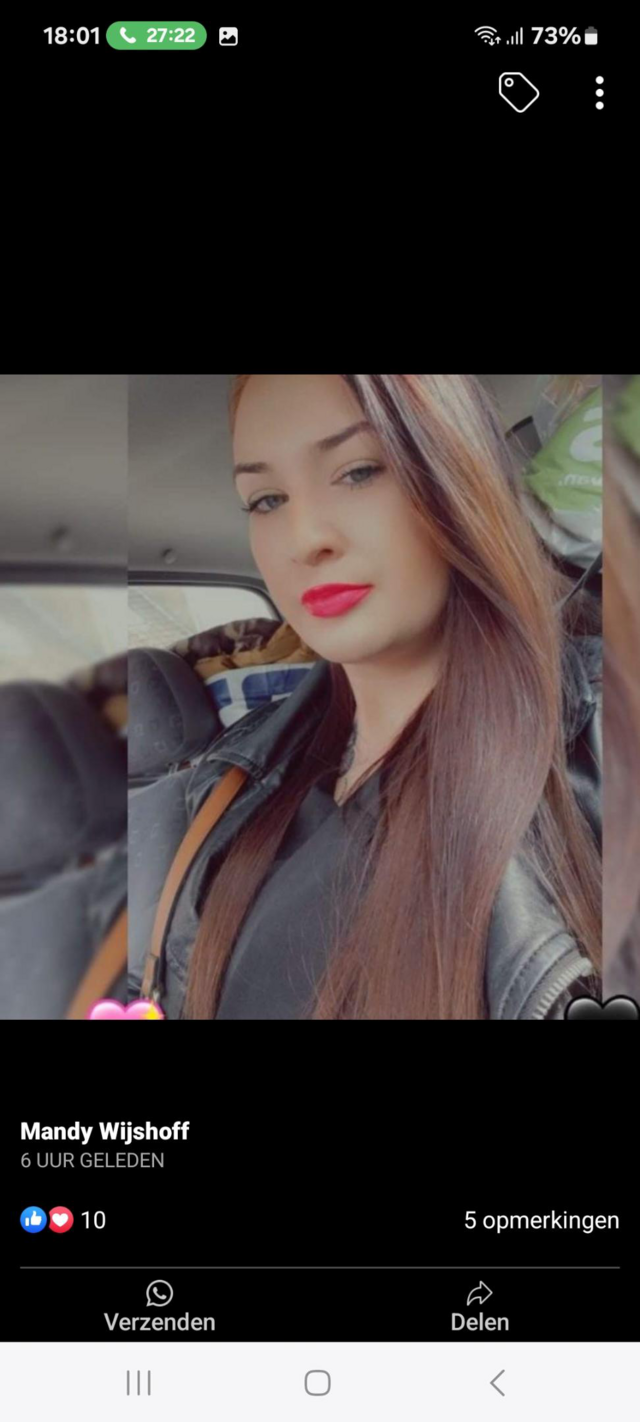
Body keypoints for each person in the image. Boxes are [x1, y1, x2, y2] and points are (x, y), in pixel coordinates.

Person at [128, 374, 602, 1020]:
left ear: (463, 474)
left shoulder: (603, 756)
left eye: (358, 472)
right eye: (266, 499)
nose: (305, 539)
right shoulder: (233, 783)